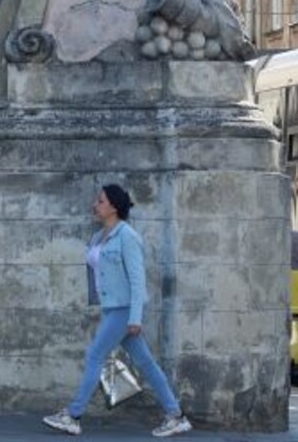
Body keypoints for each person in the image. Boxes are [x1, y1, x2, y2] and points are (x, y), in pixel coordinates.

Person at [44, 184, 192, 437]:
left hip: (124, 311)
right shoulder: (98, 236)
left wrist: (135, 317)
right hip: (112, 308)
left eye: (100, 201)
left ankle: (74, 415)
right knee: (146, 363)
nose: (95, 205)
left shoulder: (127, 236)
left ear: (113, 206)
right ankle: (176, 414)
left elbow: (137, 280)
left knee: (94, 356)